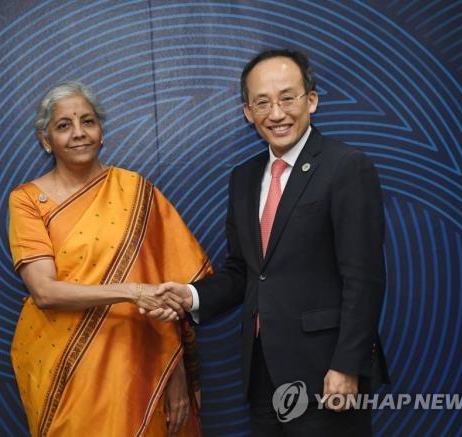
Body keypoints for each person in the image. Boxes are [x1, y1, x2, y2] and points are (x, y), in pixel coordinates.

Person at [151, 50, 389, 436]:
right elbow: (244, 271)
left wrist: (348, 365)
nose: (276, 113)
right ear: (248, 112)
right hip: (262, 374)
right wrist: (190, 297)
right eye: (262, 102)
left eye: (287, 98)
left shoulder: (346, 166)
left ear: (311, 100)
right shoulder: (243, 178)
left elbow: (364, 277)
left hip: (327, 373)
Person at [8, 81, 210, 437]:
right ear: (45, 140)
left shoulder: (136, 192)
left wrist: (175, 373)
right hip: (63, 368)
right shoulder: (27, 201)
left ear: (102, 132)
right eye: (63, 125)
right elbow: (45, 292)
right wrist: (132, 292)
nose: (79, 133)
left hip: (139, 360)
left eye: (88, 121)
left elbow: (167, 296)